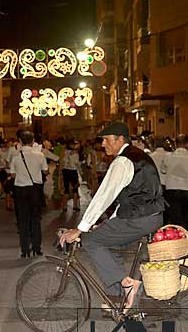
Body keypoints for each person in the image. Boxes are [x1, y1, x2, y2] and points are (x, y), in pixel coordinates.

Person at [59, 122, 164, 310]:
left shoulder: (122, 162)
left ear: (120, 139)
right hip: (153, 216)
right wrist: (108, 223)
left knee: (91, 241)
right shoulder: (140, 156)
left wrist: (81, 229)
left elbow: (104, 196)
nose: (103, 144)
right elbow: (127, 198)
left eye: (107, 140)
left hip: (137, 220)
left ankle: (126, 286)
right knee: (110, 244)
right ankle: (119, 299)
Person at [9, 130, 48, 257]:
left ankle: (25, 250)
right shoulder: (40, 155)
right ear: (33, 141)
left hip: (21, 189)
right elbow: (45, 171)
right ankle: (37, 248)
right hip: (35, 190)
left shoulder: (16, 156)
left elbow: (12, 174)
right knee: (35, 219)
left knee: (23, 220)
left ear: (20, 141)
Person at [162, 134, 188, 232]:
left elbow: (162, 170)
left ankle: (177, 239)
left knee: (174, 220)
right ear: (187, 144)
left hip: (172, 190)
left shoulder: (168, 157)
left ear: (176, 144)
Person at [61, 140, 81, 212]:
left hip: (65, 171)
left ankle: (64, 207)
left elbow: (63, 161)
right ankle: (75, 206)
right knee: (75, 189)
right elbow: (77, 163)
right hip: (73, 171)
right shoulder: (76, 153)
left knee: (66, 189)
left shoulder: (65, 152)